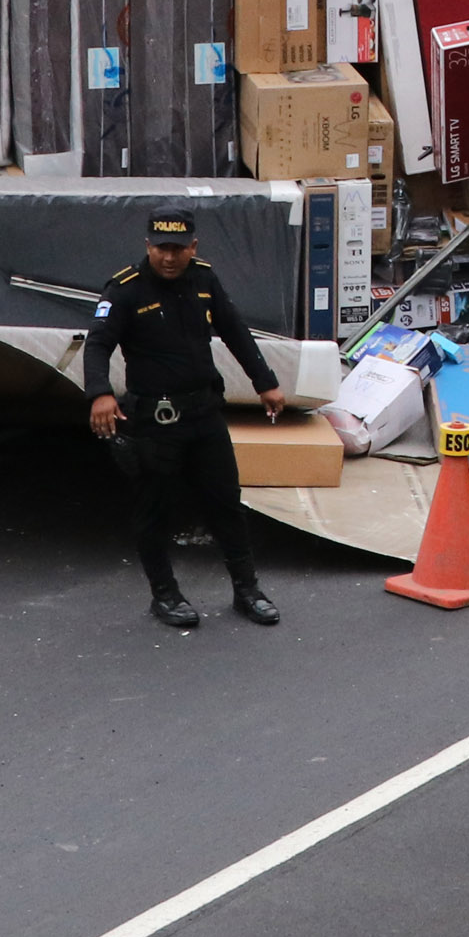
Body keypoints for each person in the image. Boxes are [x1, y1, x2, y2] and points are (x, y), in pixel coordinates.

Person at [84, 212, 289, 630]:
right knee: (156, 510)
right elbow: (98, 344)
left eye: (178, 249)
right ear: (148, 246)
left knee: (226, 505)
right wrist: (100, 393)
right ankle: (165, 594)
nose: (170, 257)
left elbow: (235, 331)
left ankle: (247, 590)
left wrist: (265, 383)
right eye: (161, 248)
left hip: (204, 414)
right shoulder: (125, 290)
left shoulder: (204, 280)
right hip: (156, 421)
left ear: (193, 248)